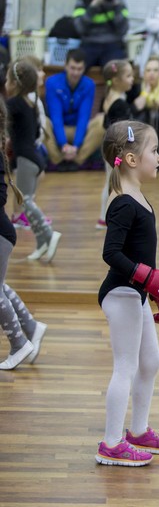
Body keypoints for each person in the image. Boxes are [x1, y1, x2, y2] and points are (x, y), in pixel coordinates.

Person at [96, 119, 159, 466]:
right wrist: (147, 277)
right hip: (121, 294)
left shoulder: (137, 196)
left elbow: (140, 252)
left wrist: (157, 292)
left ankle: (138, 431)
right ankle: (111, 443)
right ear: (132, 159)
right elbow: (111, 253)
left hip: (137, 294)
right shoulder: (122, 203)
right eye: (154, 150)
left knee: (151, 361)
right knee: (126, 366)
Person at [0, 100, 47, 371]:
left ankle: (19, 344)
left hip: (1, 234)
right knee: (1, 286)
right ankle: (30, 326)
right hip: (4, 232)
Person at [4, 60, 62, 262]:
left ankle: (48, 233)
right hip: (33, 158)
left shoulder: (15, 103)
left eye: (8, 78)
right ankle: (42, 243)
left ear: (14, 82)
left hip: (27, 159)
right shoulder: (29, 102)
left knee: (25, 200)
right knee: (27, 199)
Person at [43, 48, 104, 171]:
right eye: (72, 68)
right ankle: (58, 161)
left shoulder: (89, 84)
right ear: (65, 66)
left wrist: (76, 146)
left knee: (102, 120)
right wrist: (63, 144)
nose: (75, 73)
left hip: (79, 129)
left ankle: (77, 160)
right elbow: (56, 117)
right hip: (58, 129)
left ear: (84, 68)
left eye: (79, 69)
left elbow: (84, 116)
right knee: (42, 121)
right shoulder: (52, 83)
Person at [97, 59, 135, 230]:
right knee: (116, 183)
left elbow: (107, 124)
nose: (132, 78)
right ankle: (107, 217)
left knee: (111, 182)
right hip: (116, 148)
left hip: (110, 145)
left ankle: (104, 217)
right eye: (128, 75)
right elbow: (121, 128)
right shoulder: (119, 102)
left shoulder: (110, 96)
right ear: (117, 80)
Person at [73, 0, 129, 68]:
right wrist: (93, 7)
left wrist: (116, 5)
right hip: (89, 44)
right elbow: (79, 28)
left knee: (116, 71)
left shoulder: (118, 1)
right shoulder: (83, 1)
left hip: (113, 45)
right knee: (75, 67)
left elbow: (123, 29)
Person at [132, 56, 159, 156]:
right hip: (143, 122)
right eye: (148, 70)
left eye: (155, 70)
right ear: (143, 73)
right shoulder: (138, 87)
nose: (151, 73)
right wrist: (146, 92)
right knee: (141, 116)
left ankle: (158, 154)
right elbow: (135, 109)